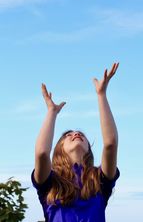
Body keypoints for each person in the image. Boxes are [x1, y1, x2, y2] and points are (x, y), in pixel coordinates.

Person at [31, 62, 120, 222]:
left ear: (89, 149)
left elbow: (110, 144)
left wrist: (101, 95)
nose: (76, 134)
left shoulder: (99, 180)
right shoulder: (50, 183)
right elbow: (42, 152)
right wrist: (52, 112)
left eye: (81, 134)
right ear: (59, 149)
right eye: (68, 135)